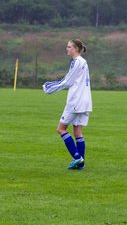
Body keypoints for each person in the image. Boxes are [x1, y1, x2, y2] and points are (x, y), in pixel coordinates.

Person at [43, 39, 92, 170]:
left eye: (69, 47)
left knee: (60, 129)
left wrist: (50, 88)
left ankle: (77, 158)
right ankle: (81, 164)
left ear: (76, 48)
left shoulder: (77, 62)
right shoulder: (83, 62)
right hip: (85, 100)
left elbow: (67, 81)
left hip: (76, 100)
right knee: (78, 132)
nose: (67, 49)